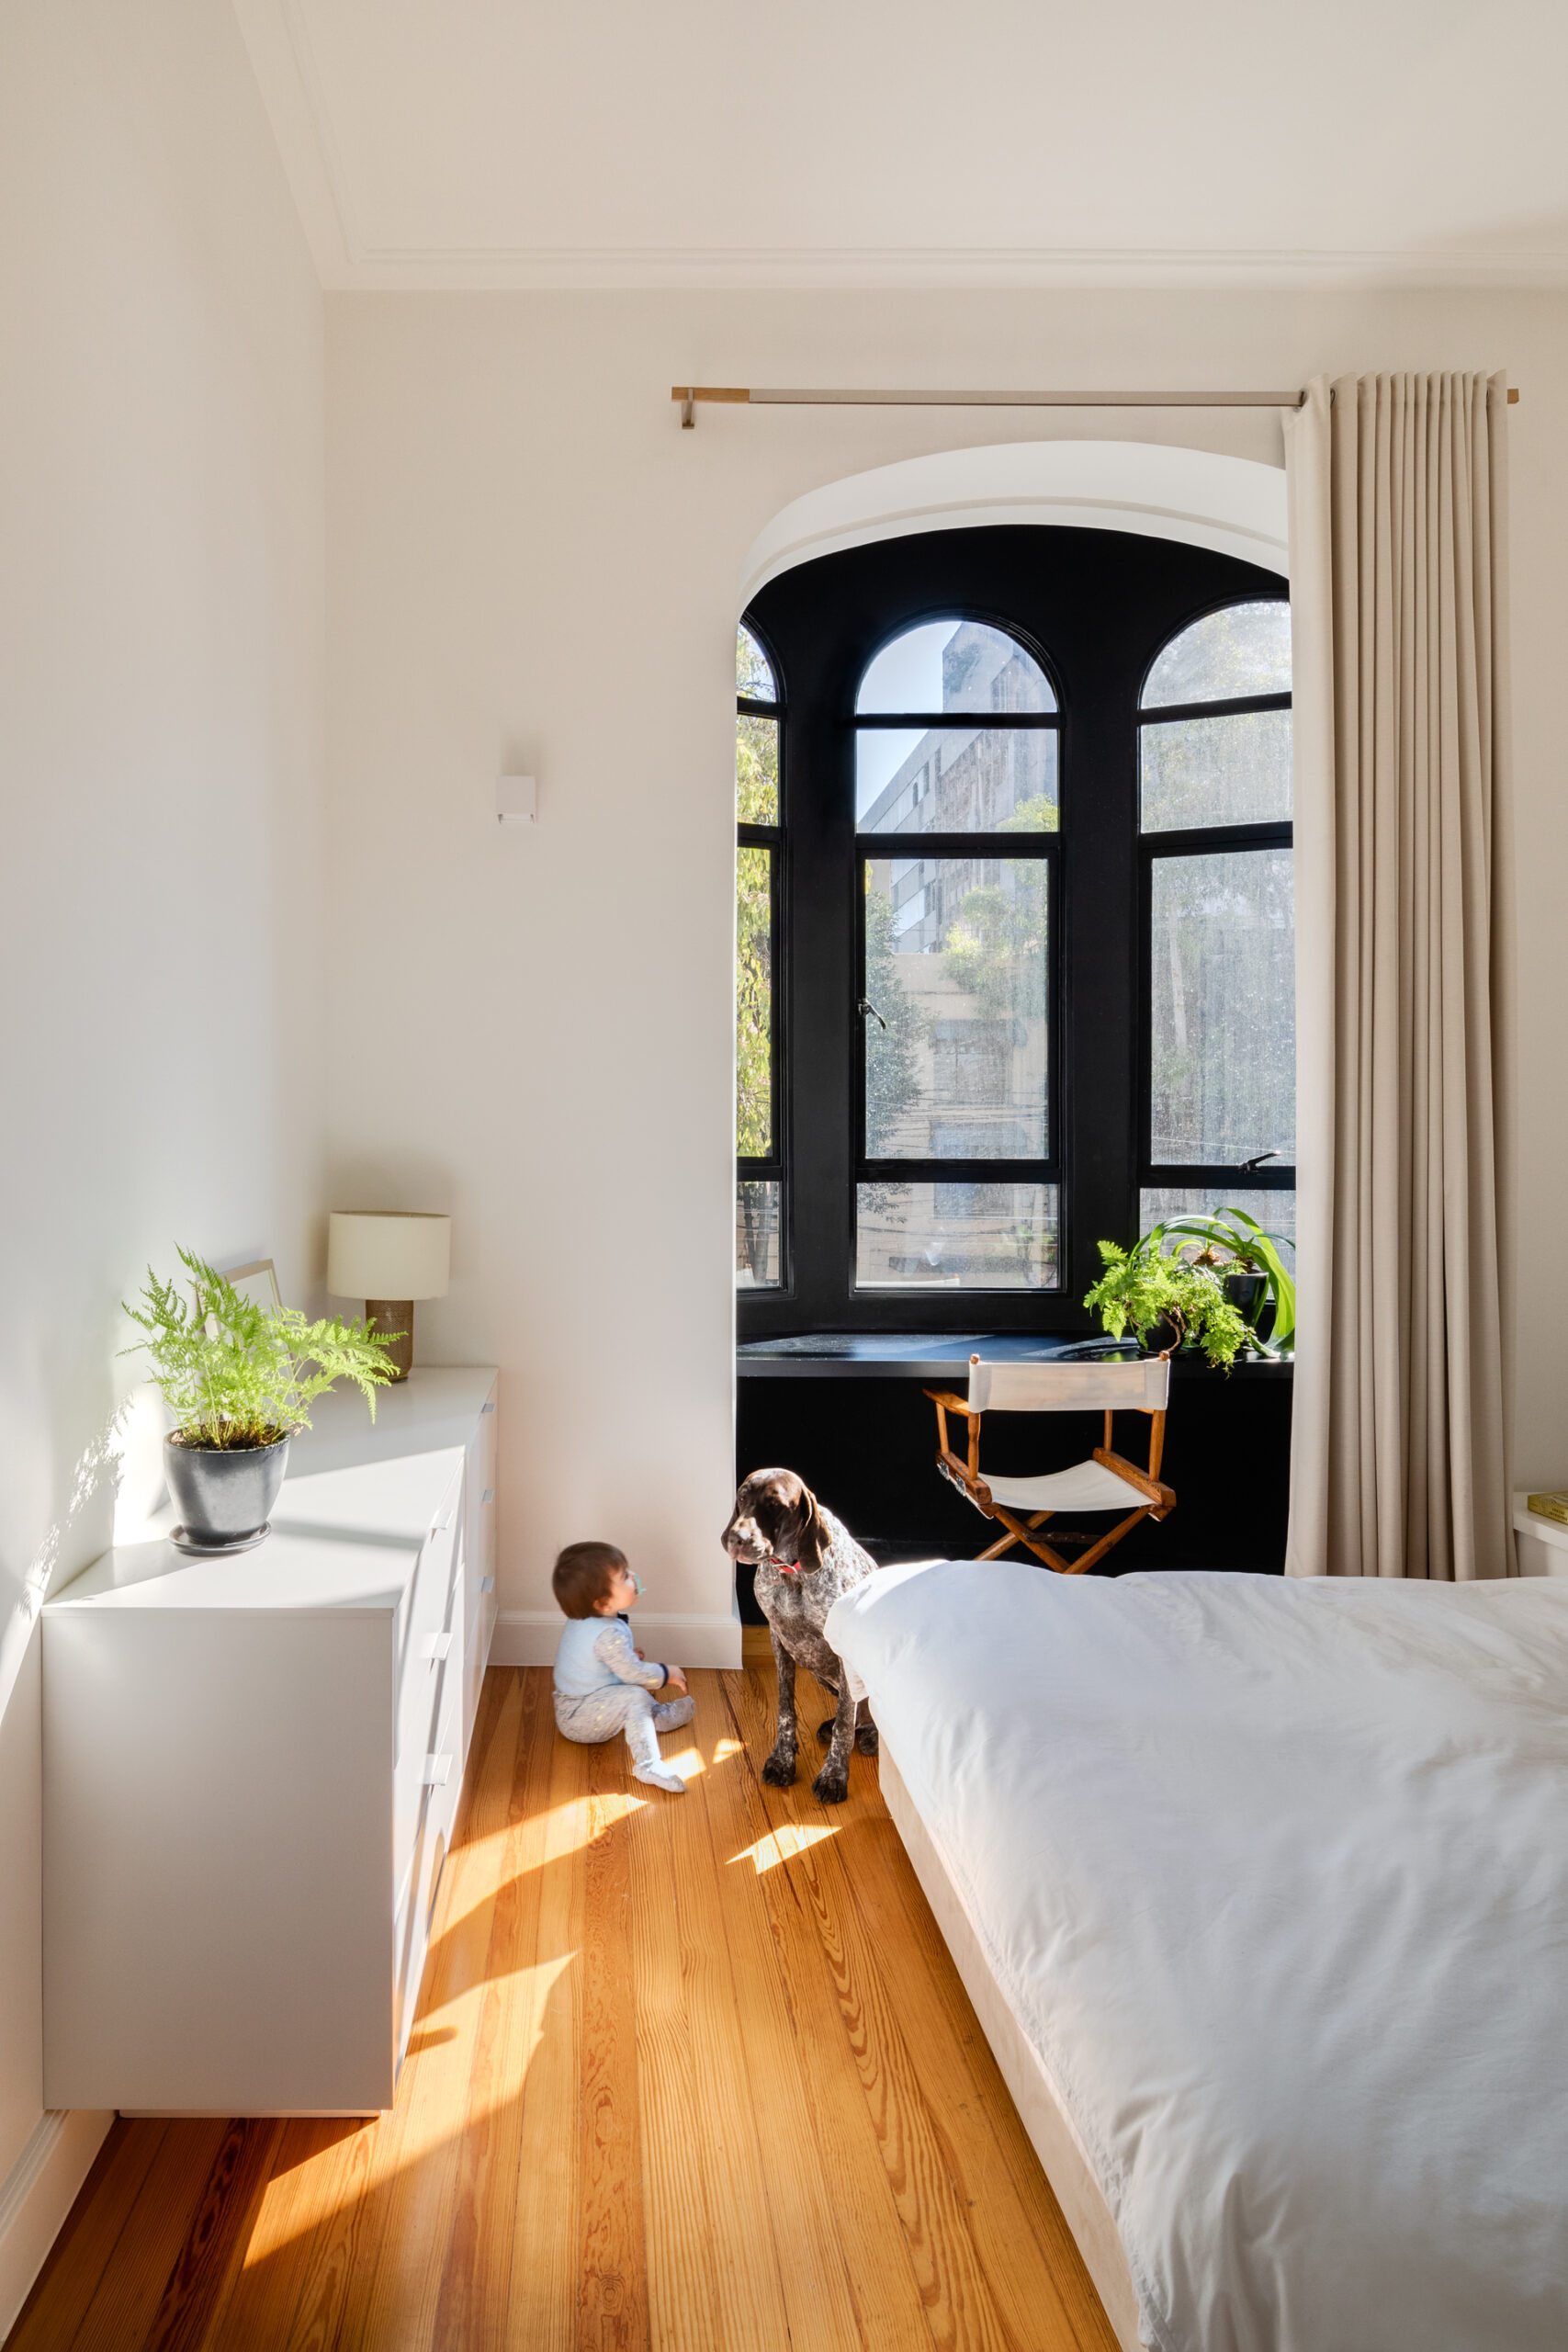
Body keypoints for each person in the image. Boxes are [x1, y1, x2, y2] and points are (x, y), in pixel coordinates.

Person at [551, 1540, 694, 1793]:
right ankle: (648, 1763)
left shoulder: (586, 1619)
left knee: (634, 1693)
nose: (634, 1577)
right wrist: (666, 1673)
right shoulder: (607, 1634)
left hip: (578, 1704)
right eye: (625, 1576)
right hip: (579, 1718)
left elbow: (597, 1662)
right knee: (634, 1694)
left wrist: (627, 1656)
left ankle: (656, 1717)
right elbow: (633, 1673)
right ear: (602, 1603)